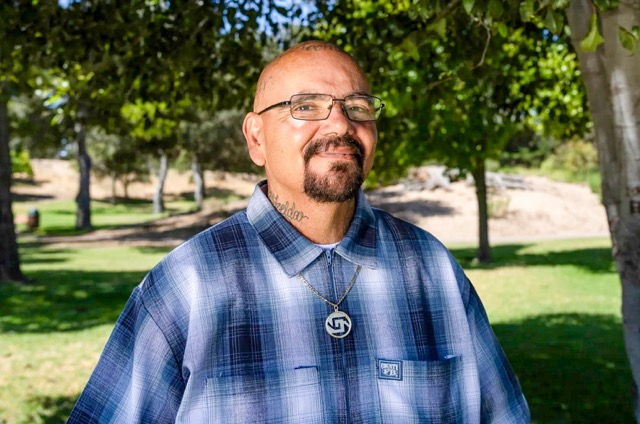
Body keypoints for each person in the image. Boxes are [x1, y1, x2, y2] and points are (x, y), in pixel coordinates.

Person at [68, 40, 530, 423]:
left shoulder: (433, 270)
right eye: (305, 106)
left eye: (358, 107)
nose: (340, 124)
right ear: (255, 139)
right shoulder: (186, 285)